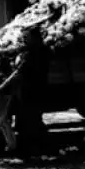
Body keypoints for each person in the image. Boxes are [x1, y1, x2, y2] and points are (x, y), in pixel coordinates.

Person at [14, 26, 50, 157]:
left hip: (33, 89)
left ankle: (34, 149)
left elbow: (21, 70)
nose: (24, 39)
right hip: (33, 88)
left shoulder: (35, 52)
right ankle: (38, 147)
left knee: (31, 119)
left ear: (34, 37)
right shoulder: (40, 49)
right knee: (32, 119)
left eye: (26, 37)